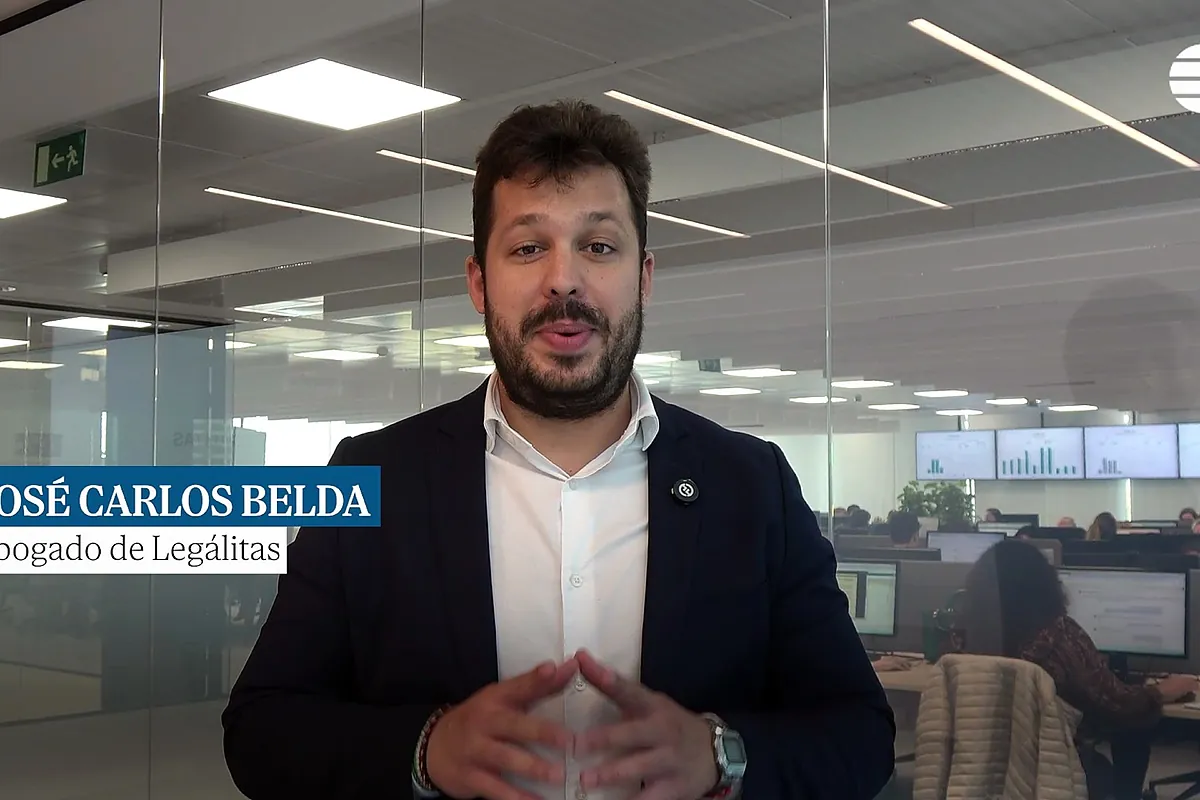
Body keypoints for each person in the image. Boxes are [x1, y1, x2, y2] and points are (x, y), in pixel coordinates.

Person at [222, 100, 895, 800]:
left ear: (644, 277)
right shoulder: (372, 475)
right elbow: (261, 727)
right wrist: (425, 750)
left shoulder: (753, 486)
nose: (564, 280)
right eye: (527, 248)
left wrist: (720, 756)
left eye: (599, 246)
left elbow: (858, 732)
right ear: (479, 283)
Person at [961, 539, 1197, 800]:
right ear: (1044, 586)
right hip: (1053, 772)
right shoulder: (1058, 639)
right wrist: (1162, 692)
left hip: (981, 771)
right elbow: (1118, 705)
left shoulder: (964, 644)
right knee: (1133, 727)